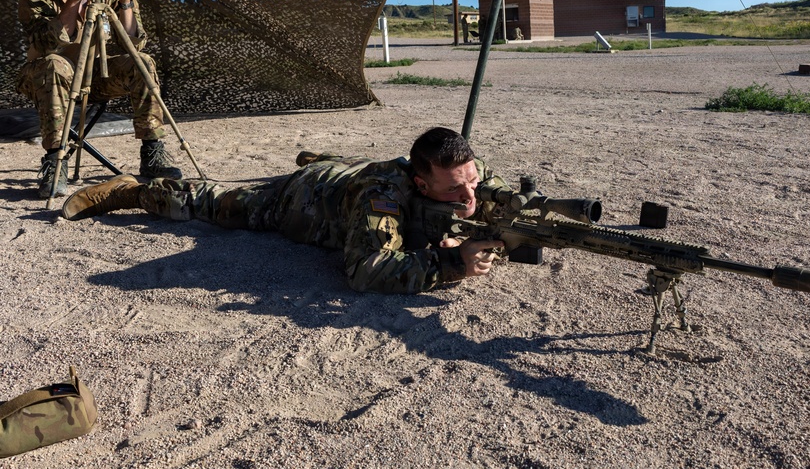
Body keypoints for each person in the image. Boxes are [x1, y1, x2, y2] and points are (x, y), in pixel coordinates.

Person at [61, 127, 505, 294]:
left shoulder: (469, 172)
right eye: (454, 190)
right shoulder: (380, 196)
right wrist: (449, 262)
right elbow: (366, 271)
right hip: (303, 201)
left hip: (350, 173)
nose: (470, 197)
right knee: (214, 204)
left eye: (473, 182)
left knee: (344, 169)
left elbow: (495, 203)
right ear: (422, 182)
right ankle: (131, 191)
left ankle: (324, 160)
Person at [17, 0, 181, 198]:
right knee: (55, 64)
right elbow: (44, 45)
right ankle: (55, 160)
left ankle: (152, 152)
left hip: (96, 76)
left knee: (142, 61)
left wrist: (126, 2)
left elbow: (135, 42)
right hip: (49, 77)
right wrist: (72, 0)